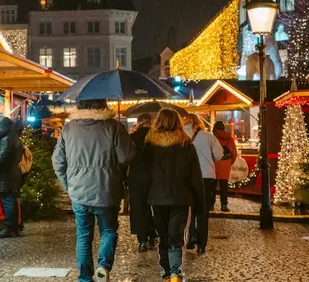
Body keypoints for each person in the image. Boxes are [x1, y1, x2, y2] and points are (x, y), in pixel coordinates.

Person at [53, 99, 135, 282]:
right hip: (107, 189)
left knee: (83, 236)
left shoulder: (68, 129)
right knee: (108, 230)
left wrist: (69, 186)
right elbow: (126, 157)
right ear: (103, 106)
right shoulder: (114, 127)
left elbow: (58, 162)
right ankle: (103, 267)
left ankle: (84, 278)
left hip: (78, 193)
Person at [143, 109, 204, 282]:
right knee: (175, 236)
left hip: (157, 197)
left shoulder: (150, 146)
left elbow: (144, 174)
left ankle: (167, 272)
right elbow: (195, 177)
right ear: (178, 123)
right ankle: (176, 272)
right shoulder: (186, 144)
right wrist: (200, 203)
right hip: (181, 197)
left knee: (163, 235)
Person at [182, 114, 223, 254]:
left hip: (187, 177)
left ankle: (190, 236)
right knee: (203, 211)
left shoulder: (180, 135)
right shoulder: (208, 136)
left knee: (189, 209)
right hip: (206, 176)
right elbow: (219, 155)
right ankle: (201, 244)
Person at [0, 117, 24, 238]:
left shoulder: (6, 140)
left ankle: (9, 228)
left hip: (5, 176)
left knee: (7, 200)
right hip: (12, 174)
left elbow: (2, 157)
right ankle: (14, 227)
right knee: (11, 200)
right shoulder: (15, 138)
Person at [128, 113, 156, 252]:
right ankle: (153, 236)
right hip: (154, 177)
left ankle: (142, 239)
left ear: (138, 122)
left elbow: (125, 158)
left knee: (138, 208)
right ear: (150, 122)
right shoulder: (156, 138)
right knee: (153, 208)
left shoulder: (131, 138)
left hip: (136, 177)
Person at [211, 121, 239, 212]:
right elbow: (234, 153)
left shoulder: (213, 137)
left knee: (212, 186)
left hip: (214, 163)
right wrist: (229, 162)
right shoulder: (229, 138)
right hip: (226, 163)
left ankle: (211, 205)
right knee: (224, 186)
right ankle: (224, 205)